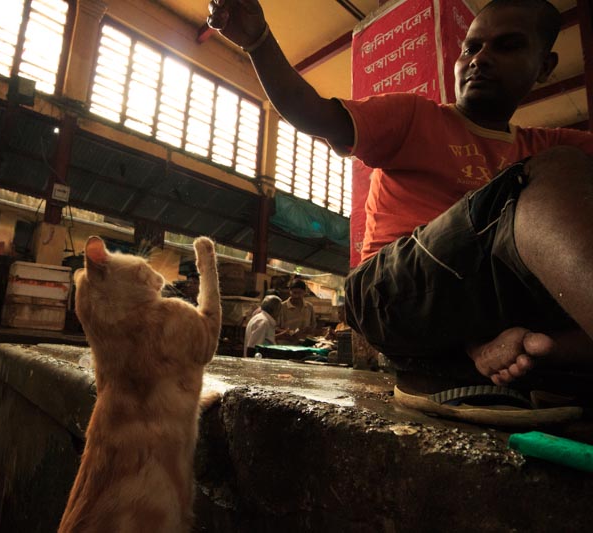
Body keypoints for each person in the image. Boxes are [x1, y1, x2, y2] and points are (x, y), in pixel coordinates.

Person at [208, 0, 593, 390]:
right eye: (471, 48)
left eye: (507, 46)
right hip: (390, 294)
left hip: (486, 300)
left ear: (545, 67)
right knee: (553, 171)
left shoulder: (545, 143)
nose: (480, 59)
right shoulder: (415, 117)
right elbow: (312, 112)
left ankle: (511, 347)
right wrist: (258, 41)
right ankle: (536, 346)